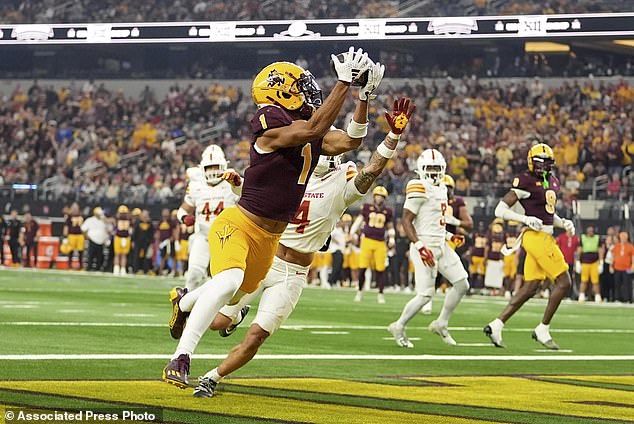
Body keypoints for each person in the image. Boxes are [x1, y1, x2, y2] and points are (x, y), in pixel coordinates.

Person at [163, 47, 373, 388]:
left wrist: (364, 96)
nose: (308, 93)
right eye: (300, 87)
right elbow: (312, 130)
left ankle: (183, 300)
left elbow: (352, 139)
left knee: (228, 298)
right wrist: (343, 84)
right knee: (229, 281)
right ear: (280, 92)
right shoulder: (269, 122)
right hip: (240, 224)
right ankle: (181, 357)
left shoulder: (306, 129)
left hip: (269, 240)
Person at [191, 95, 413, 399]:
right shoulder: (293, 173)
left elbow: (371, 170)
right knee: (218, 322)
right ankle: (225, 314)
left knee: (256, 337)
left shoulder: (342, 185)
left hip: (292, 272)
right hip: (265, 256)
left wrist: (393, 136)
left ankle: (211, 377)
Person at [484, 142, 575, 350]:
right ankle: (543, 329)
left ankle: (496, 324)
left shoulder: (552, 181)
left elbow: (547, 214)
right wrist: (524, 219)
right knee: (564, 282)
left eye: (547, 162)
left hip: (544, 235)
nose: (543, 166)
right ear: (531, 162)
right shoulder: (524, 180)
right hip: (536, 237)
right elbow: (500, 209)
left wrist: (563, 223)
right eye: (539, 162)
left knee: (531, 286)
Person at [388, 148, 470, 348]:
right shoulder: (418, 186)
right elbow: (406, 221)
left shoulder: (442, 187)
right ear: (421, 169)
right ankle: (398, 325)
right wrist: (419, 246)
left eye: (437, 168)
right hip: (424, 245)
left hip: (441, 243)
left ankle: (441, 323)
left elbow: (435, 221)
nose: (434, 172)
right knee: (425, 295)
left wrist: (450, 235)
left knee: (462, 284)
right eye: (430, 168)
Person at [174, 147, 241, 299]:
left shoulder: (232, 184)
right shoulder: (196, 185)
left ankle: (230, 311)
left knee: (225, 279)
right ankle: (184, 310)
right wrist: (184, 218)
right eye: (209, 167)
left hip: (227, 238)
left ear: (224, 166)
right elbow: (182, 211)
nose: (213, 171)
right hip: (203, 236)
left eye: (216, 166)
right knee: (193, 274)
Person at [351, 185, 395, 304]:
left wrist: (392, 238)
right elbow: (359, 221)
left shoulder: (388, 211)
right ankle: (360, 291)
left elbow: (390, 226)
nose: (379, 199)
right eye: (377, 196)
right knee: (362, 268)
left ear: (384, 198)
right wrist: (352, 233)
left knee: (380, 269)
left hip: (380, 242)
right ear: (374, 197)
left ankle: (380, 293)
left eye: (381, 197)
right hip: (367, 240)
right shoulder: (366, 207)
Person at [576, 225, 603, 303]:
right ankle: (581, 296)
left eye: (592, 231)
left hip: (595, 262)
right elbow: (579, 250)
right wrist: (578, 261)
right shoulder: (583, 238)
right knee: (584, 280)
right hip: (585, 262)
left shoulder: (597, 238)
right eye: (589, 231)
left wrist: (601, 262)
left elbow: (600, 250)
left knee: (595, 281)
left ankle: (597, 296)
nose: (591, 232)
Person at [81, 207, 110, 271]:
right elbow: (83, 229)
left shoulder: (104, 220)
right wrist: (86, 236)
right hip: (92, 240)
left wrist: (106, 220)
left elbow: (109, 229)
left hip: (101, 241)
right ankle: (89, 268)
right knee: (91, 255)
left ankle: (98, 268)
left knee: (100, 256)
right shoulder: (90, 220)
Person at [556, 226, 580, 299]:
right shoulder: (561, 237)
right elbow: (557, 248)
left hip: (571, 261)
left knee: (570, 278)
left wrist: (577, 261)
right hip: (562, 261)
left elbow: (577, 250)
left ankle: (569, 294)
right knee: (560, 278)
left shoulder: (575, 238)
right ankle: (559, 294)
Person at [611, 232, 634, 303]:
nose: (623, 239)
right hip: (617, 267)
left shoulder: (630, 246)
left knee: (627, 284)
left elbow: (632, 257)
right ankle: (617, 298)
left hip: (627, 268)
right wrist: (611, 266)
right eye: (622, 237)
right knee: (617, 284)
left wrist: (633, 266)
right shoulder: (616, 246)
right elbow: (613, 257)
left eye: (625, 237)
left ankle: (627, 299)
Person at [63, 203, 85, 270]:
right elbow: (66, 226)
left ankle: (81, 266)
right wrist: (65, 236)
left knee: (80, 251)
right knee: (70, 251)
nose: (75, 209)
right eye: (73, 208)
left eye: (76, 208)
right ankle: (69, 265)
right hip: (71, 235)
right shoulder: (69, 216)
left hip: (80, 235)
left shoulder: (81, 215)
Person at [156, 208, 177, 275]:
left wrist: (172, 239)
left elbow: (174, 231)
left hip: (170, 242)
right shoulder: (160, 222)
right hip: (162, 242)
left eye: (166, 212)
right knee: (162, 257)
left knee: (173, 256)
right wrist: (158, 241)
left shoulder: (171, 222)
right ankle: (160, 271)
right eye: (164, 212)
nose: (165, 214)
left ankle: (173, 271)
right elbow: (158, 232)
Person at [132, 210, 154, 274]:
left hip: (146, 242)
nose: (145, 217)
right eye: (143, 216)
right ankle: (135, 270)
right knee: (136, 256)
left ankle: (145, 270)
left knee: (146, 257)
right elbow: (134, 232)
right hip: (138, 242)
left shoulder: (150, 223)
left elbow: (151, 234)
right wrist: (133, 241)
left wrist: (151, 242)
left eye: (146, 216)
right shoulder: (137, 222)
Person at [113, 205, 132, 276]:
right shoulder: (117, 219)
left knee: (124, 255)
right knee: (117, 254)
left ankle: (123, 269)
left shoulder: (129, 219)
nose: (123, 214)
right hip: (119, 237)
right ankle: (116, 269)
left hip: (126, 238)